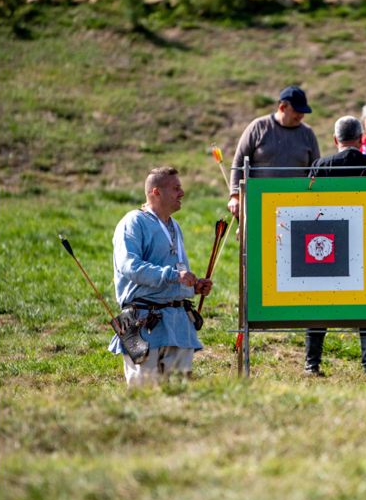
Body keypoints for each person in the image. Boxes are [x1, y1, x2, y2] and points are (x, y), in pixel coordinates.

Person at [109, 167, 213, 386]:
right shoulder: (133, 223)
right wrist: (174, 276)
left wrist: (191, 287)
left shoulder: (174, 225)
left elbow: (174, 272)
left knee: (178, 394)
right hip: (145, 323)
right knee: (143, 393)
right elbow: (130, 267)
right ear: (156, 192)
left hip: (178, 325)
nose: (182, 193)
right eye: (176, 188)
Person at [304, 116, 366, 377]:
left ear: (334, 139)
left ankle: (312, 364)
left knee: (318, 300)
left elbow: (306, 206)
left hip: (328, 243)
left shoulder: (320, 165)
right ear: (361, 138)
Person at [227, 87, 320, 217]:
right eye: (296, 111)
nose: (301, 115)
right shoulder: (258, 127)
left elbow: (316, 170)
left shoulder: (308, 134)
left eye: (302, 112)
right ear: (282, 108)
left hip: (297, 206)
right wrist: (235, 196)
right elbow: (239, 162)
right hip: (259, 202)